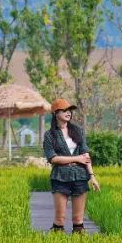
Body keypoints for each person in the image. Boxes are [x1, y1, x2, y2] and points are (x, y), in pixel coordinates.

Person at [42, 98, 99, 234]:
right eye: (64, 110)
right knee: (60, 219)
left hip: (80, 176)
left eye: (70, 110)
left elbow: (85, 155)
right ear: (56, 113)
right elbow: (53, 158)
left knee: (78, 220)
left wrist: (92, 176)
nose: (68, 113)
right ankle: (56, 242)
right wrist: (76, 158)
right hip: (60, 177)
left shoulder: (78, 131)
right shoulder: (49, 135)